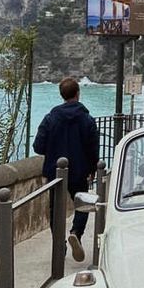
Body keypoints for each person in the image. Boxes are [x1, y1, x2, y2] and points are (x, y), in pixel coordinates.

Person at [33, 77, 99, 262]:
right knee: (83, 204)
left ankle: (59, 245)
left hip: (55, 173)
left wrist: (54, 147)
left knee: (55, 210)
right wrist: (93, 167)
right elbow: (93, 148)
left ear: (62, 95)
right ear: (78, 93)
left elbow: (38, 146)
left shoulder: (50, 118)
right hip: (79, 170)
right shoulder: (87, 120)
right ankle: (76, 233)